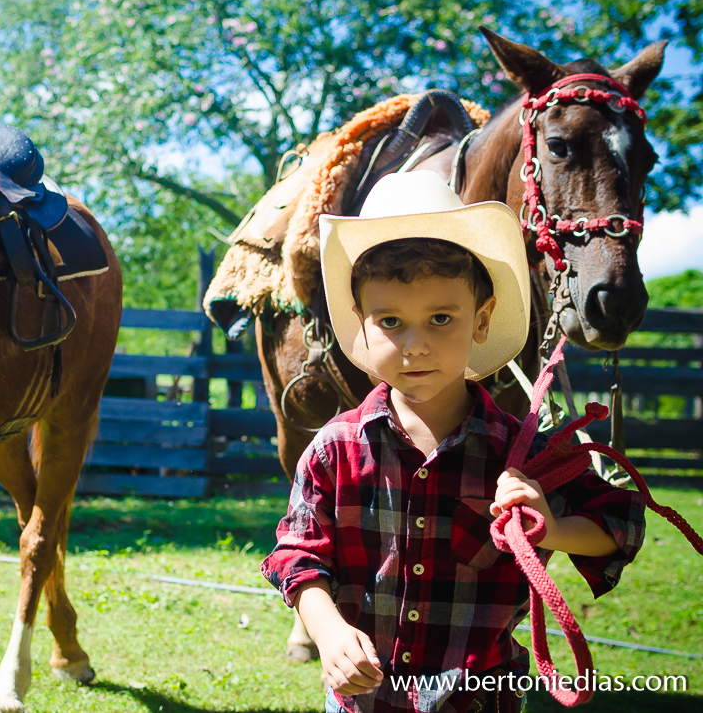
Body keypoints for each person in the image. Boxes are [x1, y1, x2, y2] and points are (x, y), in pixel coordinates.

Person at [260, 171, 646, 713]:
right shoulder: (334, 448)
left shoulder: (521, 453)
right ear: (362, 325)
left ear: (481, 321)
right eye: (391, 321)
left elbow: (622, 523)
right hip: (364, 702)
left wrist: (553, 527)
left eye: (440, 318)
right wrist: (327, 631)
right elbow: (297, 554)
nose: (415, 345)